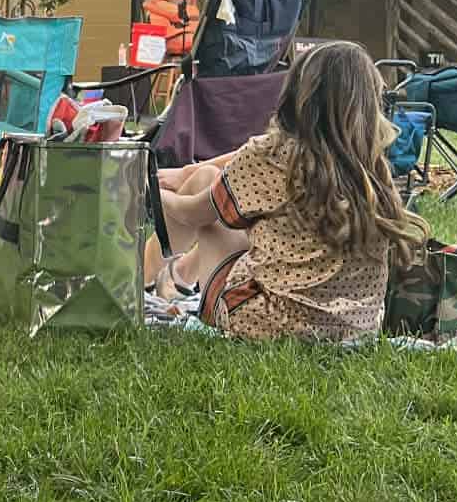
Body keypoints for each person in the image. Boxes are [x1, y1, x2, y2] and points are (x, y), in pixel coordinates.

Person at [145, 40, 425, 342]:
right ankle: (175, 280)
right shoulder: (372, 167)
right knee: (220, 189)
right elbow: (244, 161)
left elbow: (192, 213)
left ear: (298, 92)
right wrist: (188, 171)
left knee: (206, 186)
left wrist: (155, 194)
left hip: (269, 324)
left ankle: (135, 282)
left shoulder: (274, 156)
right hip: (353, 327)